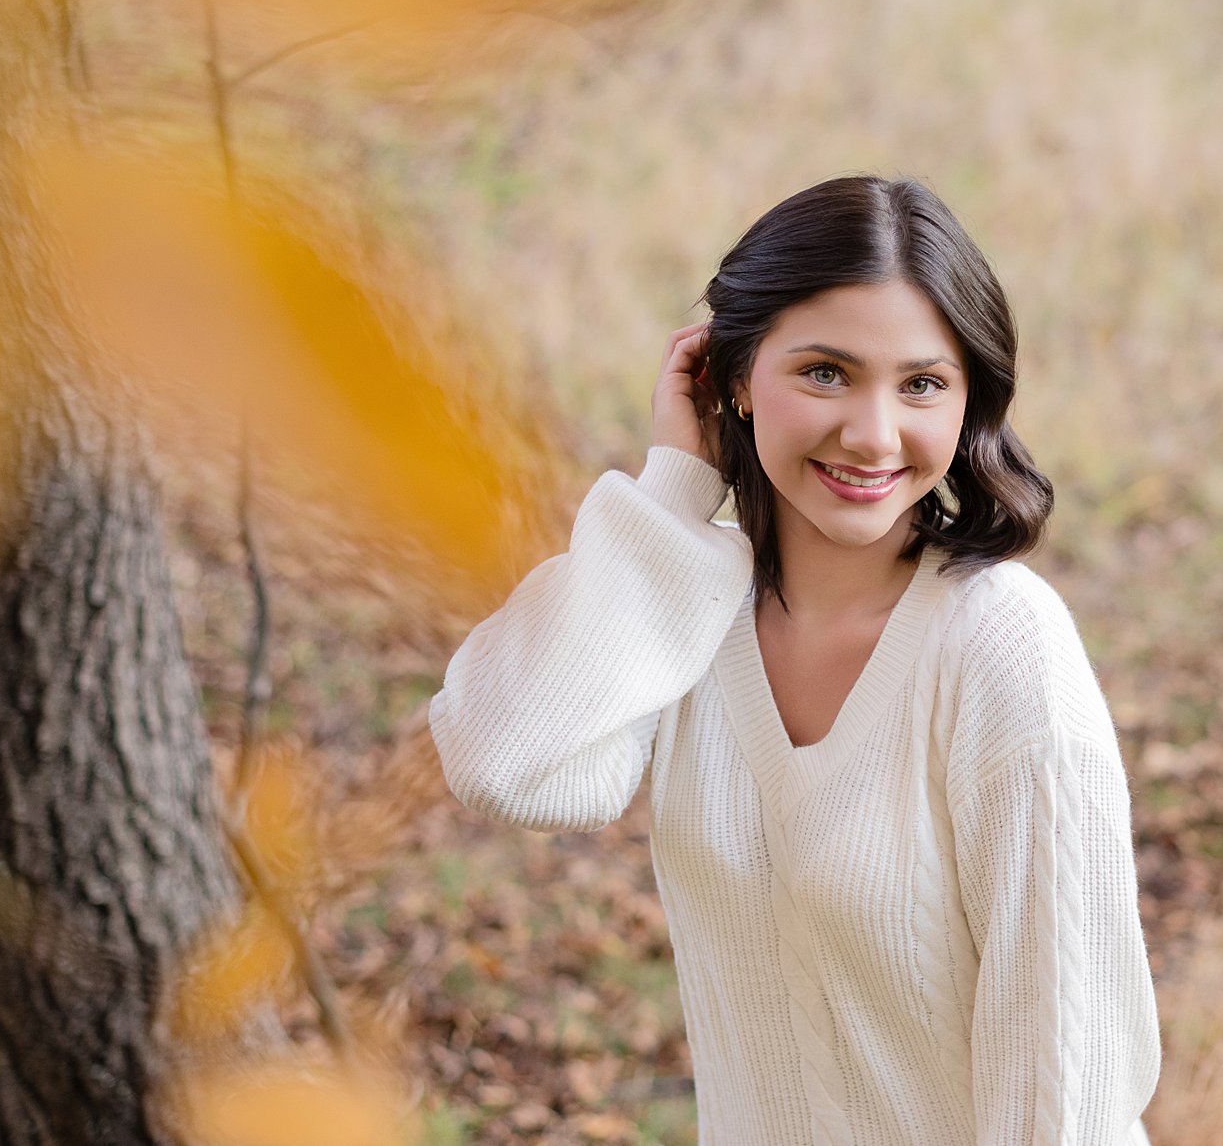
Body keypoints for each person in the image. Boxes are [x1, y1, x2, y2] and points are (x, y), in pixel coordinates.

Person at [428, 174, 1162, 1145]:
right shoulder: (689, 610)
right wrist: (673, 489)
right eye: (824, 371)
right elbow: (503, 764)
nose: (871, 433)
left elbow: (1066, 1086)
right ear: (730, 377)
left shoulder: (998, 648)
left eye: (921, 384)